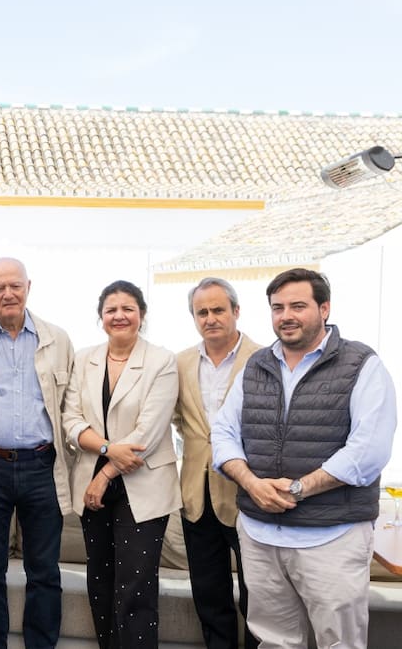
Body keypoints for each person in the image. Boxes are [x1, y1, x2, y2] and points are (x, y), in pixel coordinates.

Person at [211, 268, 397, 649]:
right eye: (277, 307)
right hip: (261, 534)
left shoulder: (363, 364)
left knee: (340, 643)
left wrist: (298, 489)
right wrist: (251, 484)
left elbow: (369, 450)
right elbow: (224, 433)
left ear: (324, 308)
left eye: (298, 305)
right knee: (274, 642)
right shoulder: (256, 366)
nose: (286, 315)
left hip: (334, 537)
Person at [0, 257, 74, 649]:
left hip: (42, 465)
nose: (7, 294)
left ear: (28, 287)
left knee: (44, 569)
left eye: (15, 285)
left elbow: (70, 407)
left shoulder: (57, 339)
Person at [62, 280, 180, 649]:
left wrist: (107, 470)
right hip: (91, 480)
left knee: (135, 585)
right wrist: (110, 451)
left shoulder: (162, 360)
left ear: (141, 315)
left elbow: (149, 430)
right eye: (111, 309)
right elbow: (71, 420)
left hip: (142, 484)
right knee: (100, 582)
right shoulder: (84, 358)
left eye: (128, 308)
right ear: (100, 318)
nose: (119, 316)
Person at [173, 278, 260, 649]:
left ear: (236, 312)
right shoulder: (180, 362)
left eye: (218, 310)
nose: (210, 318)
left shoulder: (263, 358)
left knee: (258, 598)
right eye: (201, 312)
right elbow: (179, 419)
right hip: (196, 494)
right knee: (209, 596)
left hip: (249, 496)